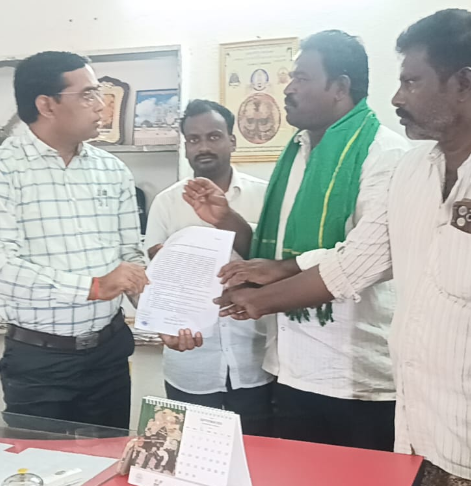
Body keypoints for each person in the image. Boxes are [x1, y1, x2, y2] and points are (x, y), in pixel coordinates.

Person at [215, 10, 471, 485]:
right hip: (417, 437)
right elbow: (354, 264)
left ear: (463, 82)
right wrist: (257, 299)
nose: (396, 97)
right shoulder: (413, 170)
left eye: (412, 82)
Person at [183, 30, 409, 451]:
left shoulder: (386, 154)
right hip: (288, 368)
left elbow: (364, 260)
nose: (288, 89)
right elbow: (271, 256)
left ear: (339, 87)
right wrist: (227, 220)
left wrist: (263, 297)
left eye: (301, 78)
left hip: (356, 380)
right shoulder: (297, 154)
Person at [0, 51, 147, 428]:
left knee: (111, 456)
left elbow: (131, 255)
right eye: (88, 95)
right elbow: (4, 268)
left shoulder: (112, 169)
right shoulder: (6, 169)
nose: (101, 105)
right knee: (41, 460)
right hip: (40, 362)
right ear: (46, 105)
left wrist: (163, 310)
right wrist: (95, 287)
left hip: (109, 354)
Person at [144, 99, 273, 436]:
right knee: (192, 458)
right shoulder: (166, 203)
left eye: (214, 137)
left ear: (232, 141)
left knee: (261, 459)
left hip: (256, 361)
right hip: (191, 363)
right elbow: (154, 281)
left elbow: (276, 267)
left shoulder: (266, 197)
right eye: (193, 139)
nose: (203, 147)